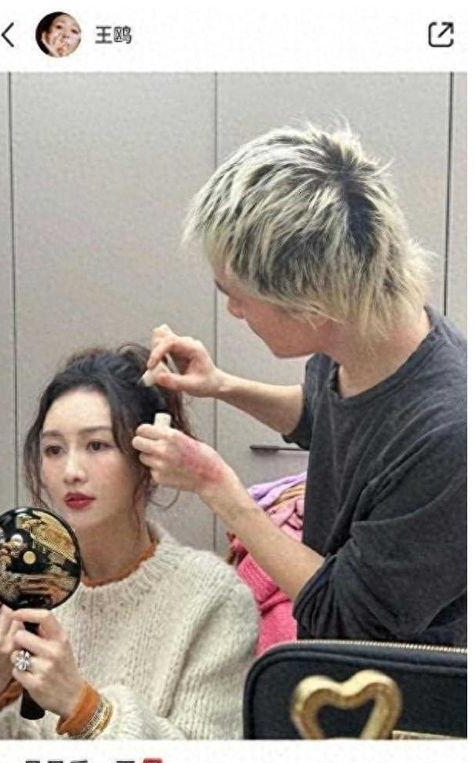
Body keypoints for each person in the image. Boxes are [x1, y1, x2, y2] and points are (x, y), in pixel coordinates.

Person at [132, 124, 466, 647]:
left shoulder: (450, 439)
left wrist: (218, 487)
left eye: (237, 294)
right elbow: (324, 414)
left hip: (392, 682)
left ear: (312, 305)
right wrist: (221, 385)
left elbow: (345, 615)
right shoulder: (365, 336)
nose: (233, 310)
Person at [0, 345, 258, 739]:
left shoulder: (213, 599)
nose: (71, 471)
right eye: (54, 450)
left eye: (97, 445)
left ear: (148, 457)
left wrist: (84, 709)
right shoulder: (15, 586)